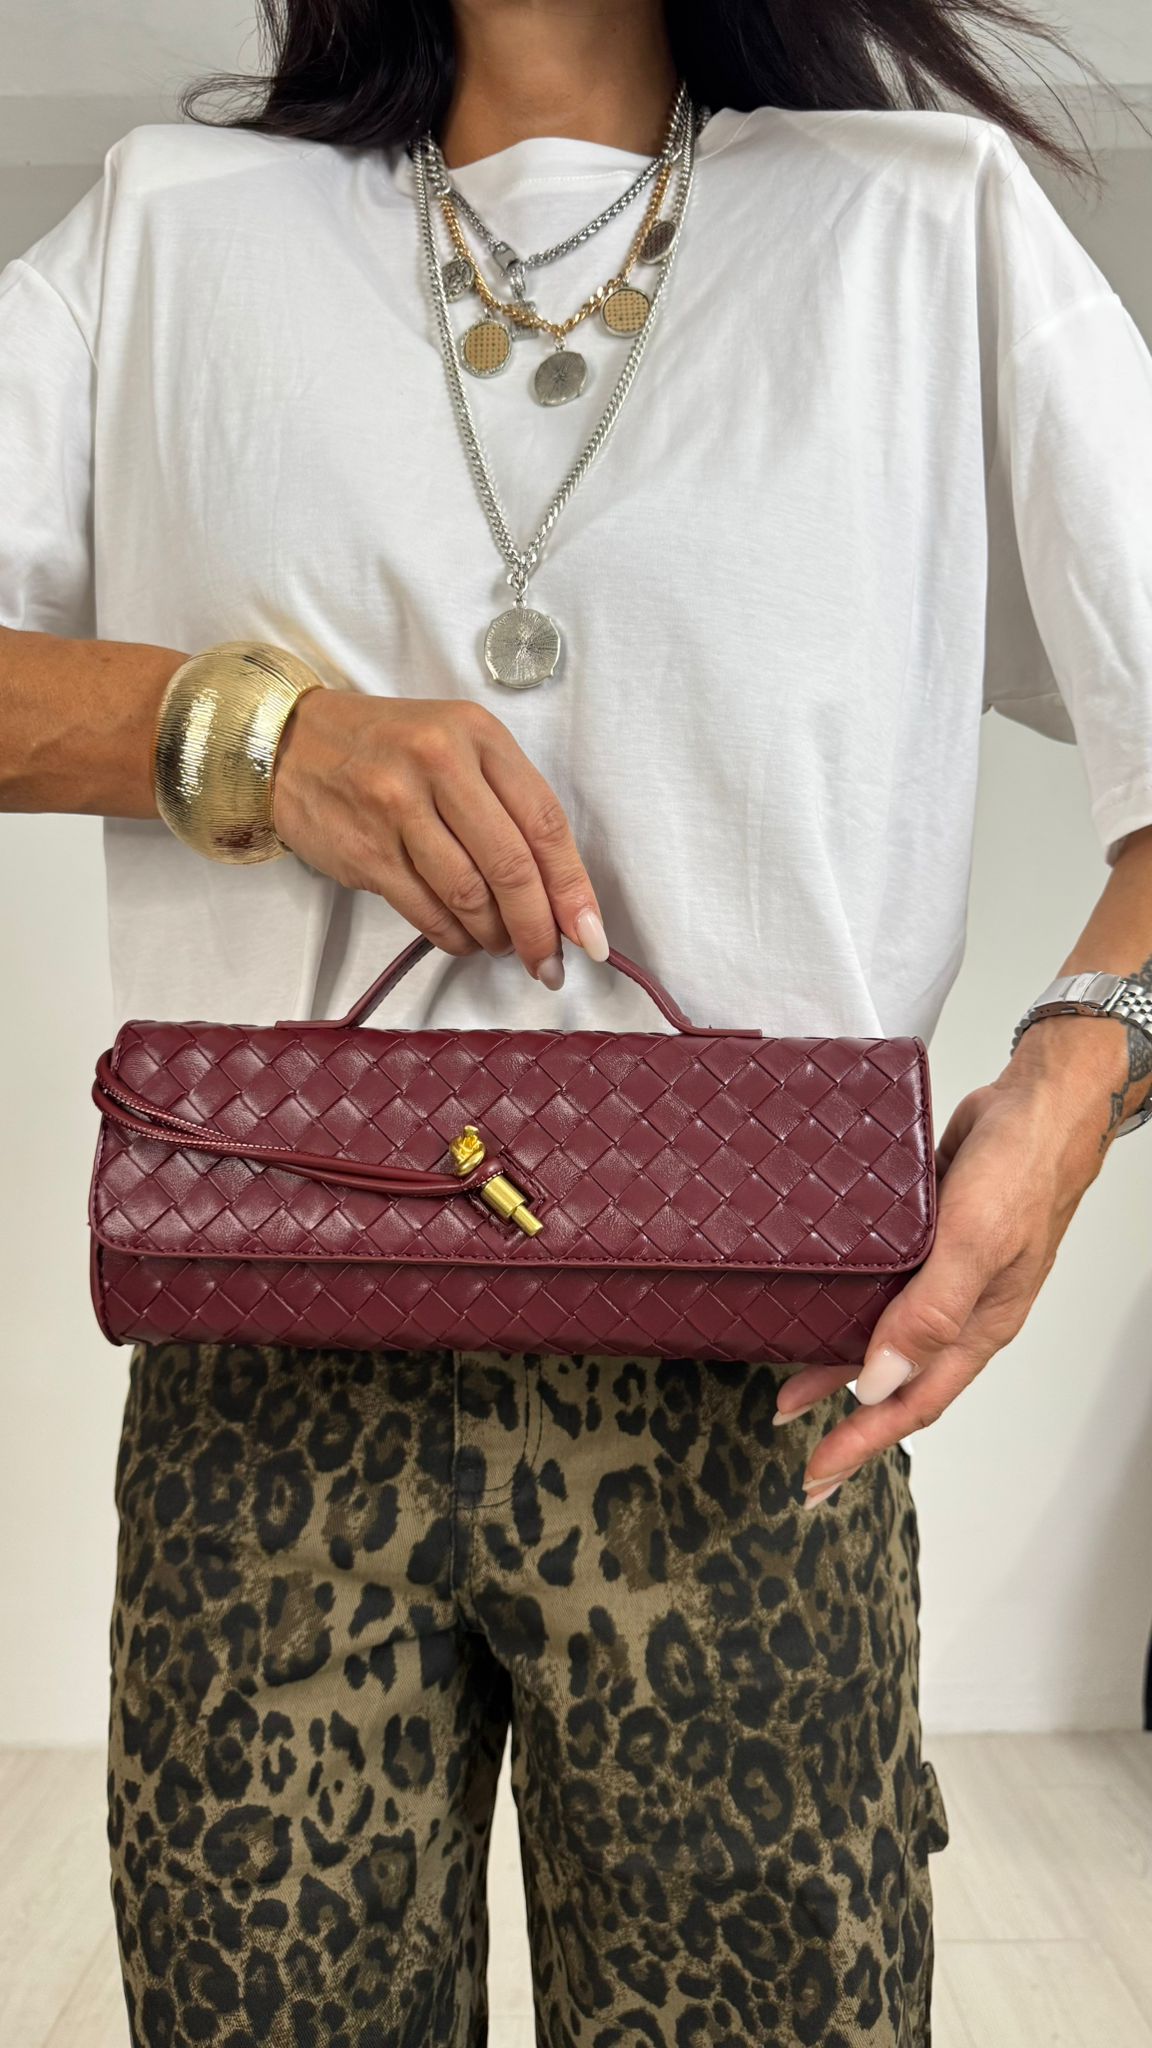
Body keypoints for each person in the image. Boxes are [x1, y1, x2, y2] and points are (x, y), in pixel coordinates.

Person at [3, 1, 1152, 2042]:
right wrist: (256, 737)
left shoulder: (923, 224)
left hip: (762, 1401)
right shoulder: (171, 229)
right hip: (271, 1373)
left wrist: (1077, 1083)